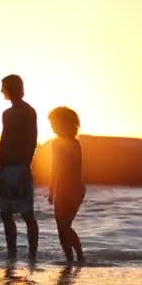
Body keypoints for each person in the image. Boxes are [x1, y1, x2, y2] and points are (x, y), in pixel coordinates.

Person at [0, 74, 39, 258]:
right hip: (5, 166)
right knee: (5, 213)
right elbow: (4, 140)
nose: (1, 90)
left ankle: (32, 254)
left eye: (3, 87)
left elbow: (32, 141)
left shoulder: (28, 111)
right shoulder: (6, 113)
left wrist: (24, 166)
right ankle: (11, 252)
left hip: (20, 166)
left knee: (27, 213)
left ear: (12, 88)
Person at [48, 106, 86, 263]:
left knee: (65, 226)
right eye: (51, 123)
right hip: (61, 188)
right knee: (61, 228)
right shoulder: (55, 143)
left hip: (74, 188)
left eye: (54, 122)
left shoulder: (74, 143)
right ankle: (69, 259)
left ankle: (80, 257)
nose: (52, 126)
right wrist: (51, 190)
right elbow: (54, 168)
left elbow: (74, 165)